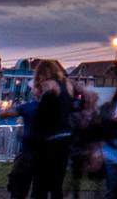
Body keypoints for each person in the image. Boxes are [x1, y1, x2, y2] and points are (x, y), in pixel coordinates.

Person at [31, 61, 77, 199]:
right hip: (65, 136)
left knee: (40, 185)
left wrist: (34, 135)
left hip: (48, 138)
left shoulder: (49, 86)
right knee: (57, 184)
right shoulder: (66, 85)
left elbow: (42, 114)